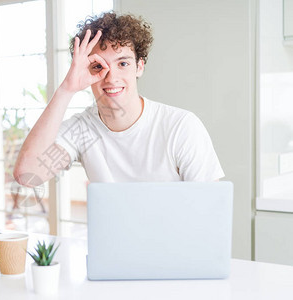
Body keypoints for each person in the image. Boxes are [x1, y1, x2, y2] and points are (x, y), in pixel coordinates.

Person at [13, 12, 224, 187]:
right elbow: (27, 176)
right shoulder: (82, 130)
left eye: (122, 64)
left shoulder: (181, 126)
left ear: (139, 66)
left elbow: (210, 211)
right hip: (111, 238)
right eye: (98, 66)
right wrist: (66, 89)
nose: (111, 78)